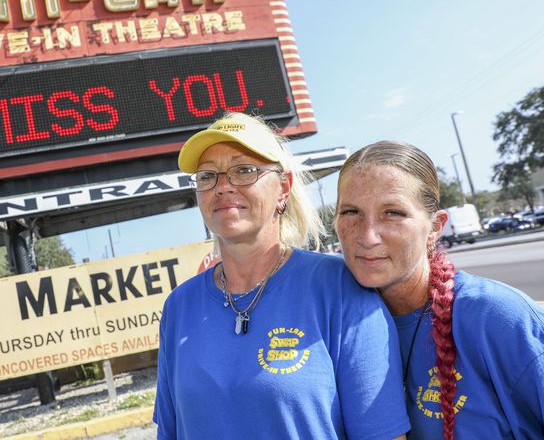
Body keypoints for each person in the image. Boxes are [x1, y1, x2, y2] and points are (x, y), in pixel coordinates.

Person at [153, 112, 410, 439]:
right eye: (207, 176)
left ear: (283, 189)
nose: (223, 186)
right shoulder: (179, 307)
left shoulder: (339, 288)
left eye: (244, 170)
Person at [335, 140, 544, 439]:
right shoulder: (334, 323)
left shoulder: (496, 318)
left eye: (392, 213)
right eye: (351, 212)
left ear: (435, 226)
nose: (367, 236)